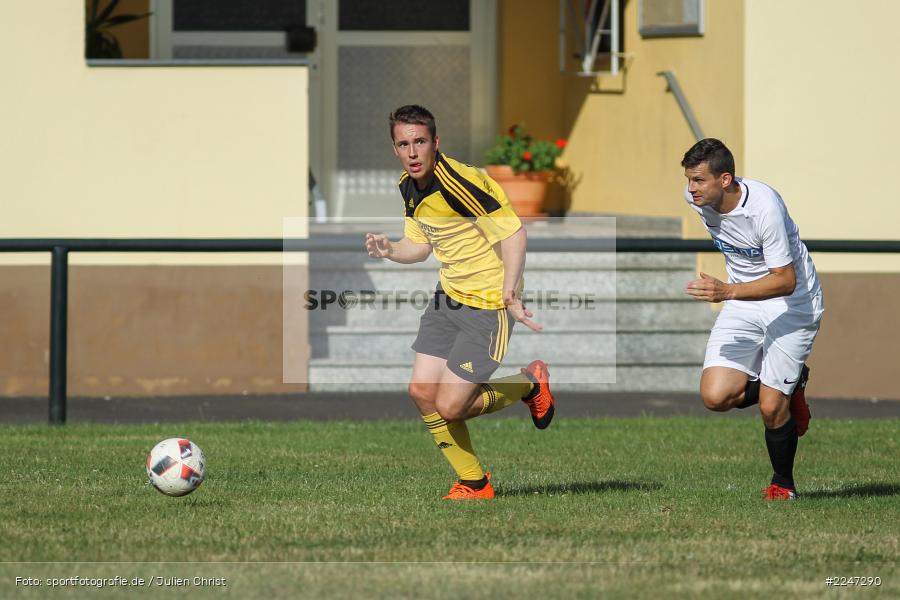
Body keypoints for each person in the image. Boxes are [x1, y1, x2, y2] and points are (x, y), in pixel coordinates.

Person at [365, 104, 555, 500]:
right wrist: (389, 250)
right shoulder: (408, 186)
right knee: (421, 392)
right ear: (395, 149)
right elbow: (419, 247)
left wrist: (511, 291)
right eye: (404, 144)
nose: (413, 151)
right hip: (448, 299)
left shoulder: (462, 183)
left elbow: (514, 234)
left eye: (420, 141)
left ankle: (527, 385)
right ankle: (474, 483)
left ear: (436, 142)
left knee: (451, 406)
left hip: (488, 304)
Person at [681, 138, 824, 500]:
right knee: (714, 396)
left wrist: (726, 291)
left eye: (699, 180)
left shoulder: (764, 208)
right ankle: (791, 385)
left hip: (792, 303)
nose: (690, 189)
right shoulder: (698, 201)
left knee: (771, 407)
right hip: (744, 300)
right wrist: (732, 292)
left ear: (725, 179)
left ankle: (783, 485)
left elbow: (785, 280)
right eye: (688, 180)